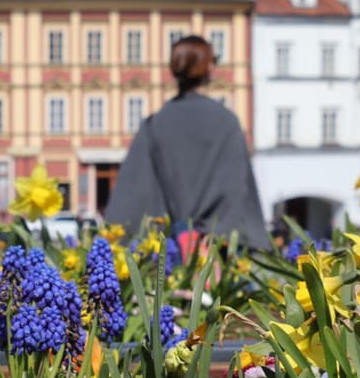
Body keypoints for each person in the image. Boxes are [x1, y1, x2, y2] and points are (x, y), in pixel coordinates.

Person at [106, 35, 271, 252]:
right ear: (209, 68)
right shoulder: (226, 122)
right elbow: (237, 191)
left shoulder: (155, 124)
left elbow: (134, 194)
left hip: (169, 253)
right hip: (216, 252)